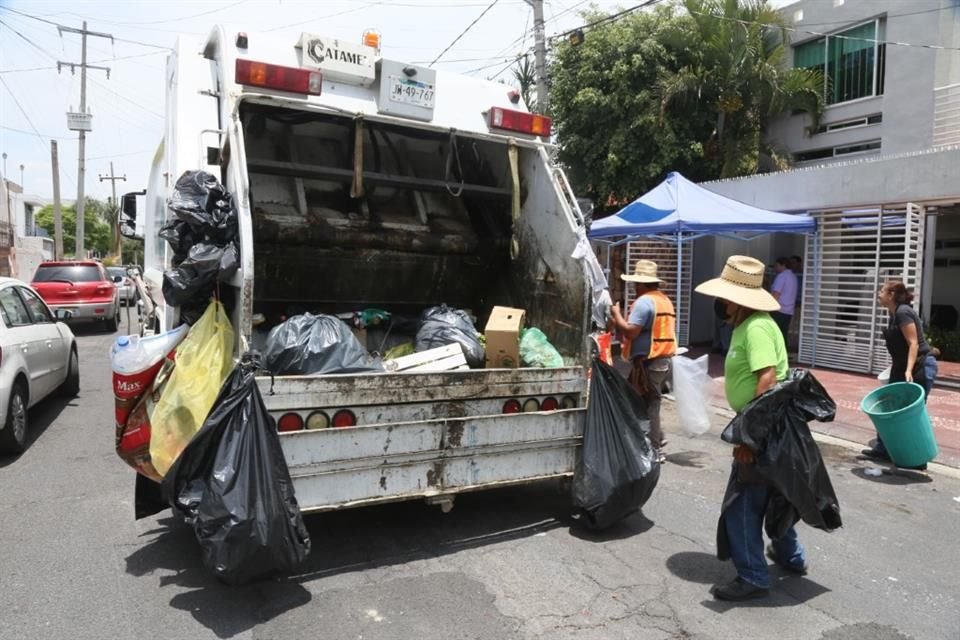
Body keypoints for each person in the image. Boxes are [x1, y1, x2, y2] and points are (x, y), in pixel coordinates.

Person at [694, 255, 806, 601]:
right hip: (772, 425)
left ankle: (754, 576)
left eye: (725, 297)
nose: (720, 304)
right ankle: (791, 556)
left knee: (743, 505)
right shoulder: (752, 324)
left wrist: (749, 438)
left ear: (738, 300)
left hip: (762, 429)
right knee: (776, 496)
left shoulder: (755, 327)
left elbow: (767, 380)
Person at [861, 280, 938, 468]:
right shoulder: (893, 313)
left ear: (892, 295)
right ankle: (885, 450)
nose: (878, 293)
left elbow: (913, 343)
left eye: (882, 291)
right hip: (902, 366)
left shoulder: (903, 312)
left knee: (911, 413)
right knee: (890, 407)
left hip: (919, 366)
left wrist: (908, 370)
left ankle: (917, 458)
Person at [610, 259, 677, 462]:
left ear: (640, 283)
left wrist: (617, 316)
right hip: (662, 359)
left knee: (650, 403)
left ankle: (655, 449)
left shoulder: (644, 302)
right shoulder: (663, 299)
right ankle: (653, 438)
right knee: (639, 399)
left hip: (649, 362)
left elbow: (631, 332)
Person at [769, 257, 798, 345]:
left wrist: (768, 308)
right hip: (789, 310)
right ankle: (784, 353)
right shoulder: (793, 276)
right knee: (783, 333)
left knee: (773, 332)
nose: (775, 268)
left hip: (779, 309)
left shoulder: (781, 276)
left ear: (783, 265)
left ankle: (773, 354)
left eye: (777, 266)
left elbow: (776, 294)